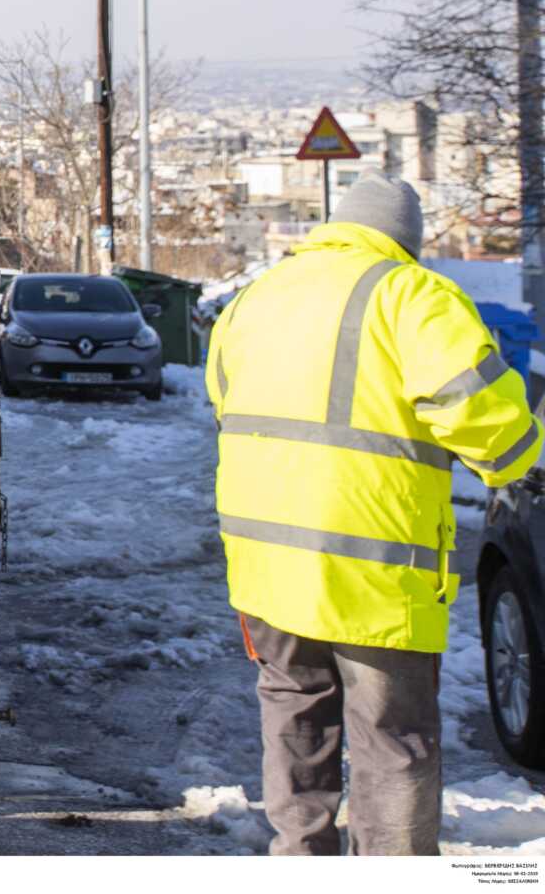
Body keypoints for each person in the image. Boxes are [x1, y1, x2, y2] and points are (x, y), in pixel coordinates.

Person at [206, 171, 539, 856]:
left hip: (268, 567)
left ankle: (301, 859)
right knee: (393, 745)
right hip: (373, 574)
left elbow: (223, 397)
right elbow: (495, 427)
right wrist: (518, 456)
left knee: (294, 722)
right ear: (405, 241)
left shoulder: (257, 296)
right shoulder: (412, 294)